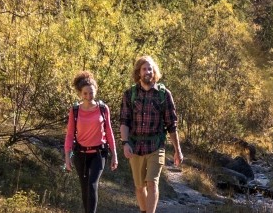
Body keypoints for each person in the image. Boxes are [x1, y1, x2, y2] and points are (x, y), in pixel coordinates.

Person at [119, 55, 183, 213]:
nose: (148, 72)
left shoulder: (163, 94)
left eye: (150, 68)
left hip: (156, 146)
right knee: (139, 187)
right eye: (144, 69)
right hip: (135, 146)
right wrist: (125, 143)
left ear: (154, 71)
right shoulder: (130, 94)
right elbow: (124, 121)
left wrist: (177, 150)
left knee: (152, 183)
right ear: (138, 72)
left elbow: (171, 124)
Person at [63, 71, 118, 213]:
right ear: (80, 94)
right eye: (85, 94)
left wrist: (114, 155)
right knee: (85, 187)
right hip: (80, 154)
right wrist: (67, 158)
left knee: (92, 184)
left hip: (99, 154)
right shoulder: (75, 110)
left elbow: (109, 132)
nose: (88, 97)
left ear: (95, 91)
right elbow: (69, 135)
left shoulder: (102, 109)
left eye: (91, 93)